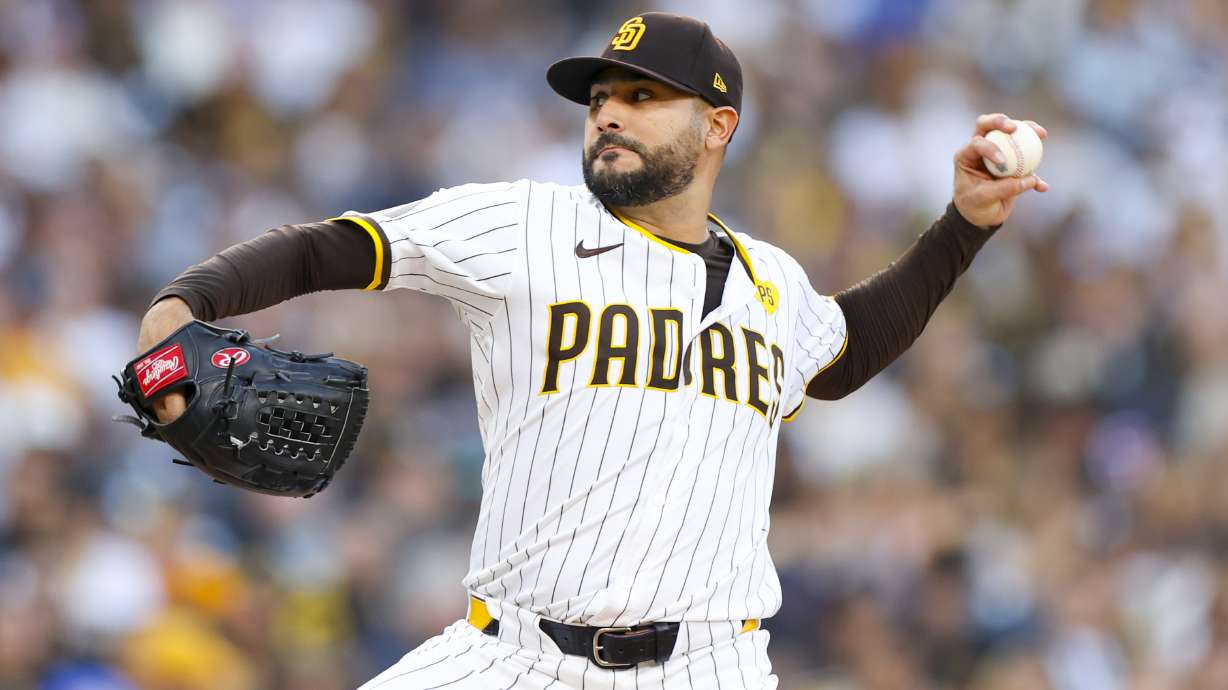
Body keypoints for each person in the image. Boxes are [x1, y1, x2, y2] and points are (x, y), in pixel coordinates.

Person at [135, 12, 1047, 689]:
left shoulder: (772, 282)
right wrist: (185, 302)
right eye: (601, 97)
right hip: (513, 657)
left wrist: (963, 228)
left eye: (642, 97)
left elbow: (843, 352)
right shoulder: (525, 223)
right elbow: (328, 245)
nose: (608, 112)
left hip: (709, 665)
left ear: (718, 126)